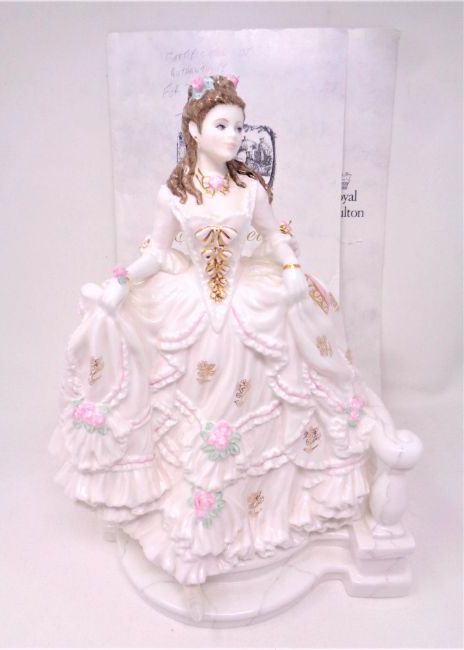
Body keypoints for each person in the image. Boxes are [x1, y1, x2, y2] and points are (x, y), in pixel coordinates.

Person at [50, 73, 383, 587]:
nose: (233, 136)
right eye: (222, 125)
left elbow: (275, 238)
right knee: (174, 377)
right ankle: (181, 495)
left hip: (249, 299)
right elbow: (157, 253)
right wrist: (122, 280)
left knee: (279, 372)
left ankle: (260, 500)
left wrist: (291, 267)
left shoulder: (249, 189)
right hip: (190, 302)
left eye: (239, 127)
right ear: (194, 129)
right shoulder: (174, 193)